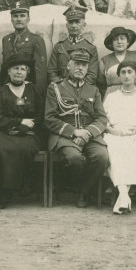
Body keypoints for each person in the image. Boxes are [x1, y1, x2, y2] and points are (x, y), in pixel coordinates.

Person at [45, 49, 110, 208]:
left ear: (88, 69)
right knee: (74, 159)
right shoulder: (55, 88)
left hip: (89, 134)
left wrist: (87, 132)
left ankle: (84, 192)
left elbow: (101, 118)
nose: (80, 68)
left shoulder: (93, 90)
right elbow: (49, 118)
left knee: (101, 157)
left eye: (84, 65)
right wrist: (74, 132)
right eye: (77, 64)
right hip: (65, 135)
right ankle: (80, 189)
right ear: (68, 66)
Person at [0, 51, 43, 209]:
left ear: (27, 72)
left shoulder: (34, 90)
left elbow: (41, 115)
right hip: (5, 132)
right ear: (9, 71)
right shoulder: (1, 91)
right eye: (15, 68)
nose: (19, 72)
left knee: (22, 148)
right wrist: (19, 122)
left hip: (29, 134)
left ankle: (12, 189)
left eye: (23, 69)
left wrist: (28, 126)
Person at [103, 60, 136, 215]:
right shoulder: (111, 97)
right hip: (115, 134)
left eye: (130, 72)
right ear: (119, 76)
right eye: (123, 72)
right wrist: (112, 131)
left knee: (133, 149)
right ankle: (124, 196)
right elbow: (103, 119)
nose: (126, 75)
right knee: (112, 148)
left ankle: (122, 196)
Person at [0, 2, 48, 92]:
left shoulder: (36, 40)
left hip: (28, 89)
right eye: (15, 16)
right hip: (8, 88)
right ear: (11, 19)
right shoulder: (6, 40)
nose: (19, 19)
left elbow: (40, 72)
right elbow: (4, 68)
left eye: (22, 16)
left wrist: (38, 93)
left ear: (28, 19)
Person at [48, 7, 98, 85]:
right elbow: (51, 72)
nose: (74, 25)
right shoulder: (59, 47)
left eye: (77, 22)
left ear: (84, 25)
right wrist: (62, 86)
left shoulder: (91, 48)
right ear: (67, 25)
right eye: (71, 22)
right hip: (62, 88)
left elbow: (92, 75)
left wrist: (78, 86)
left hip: (82, 90)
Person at [98, 26, 136, 94]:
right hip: (111, 95)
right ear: (112, 43)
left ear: (128, 42)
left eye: (122, 38)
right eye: (115, 39)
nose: (119, 42)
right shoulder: (104, 60)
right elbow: (101, 84)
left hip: (133, 95)